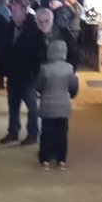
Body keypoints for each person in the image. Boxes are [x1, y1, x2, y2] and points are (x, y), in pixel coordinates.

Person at [0, 2, 44, 145]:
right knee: (13, 105)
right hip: (13, 73)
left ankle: (33, 133)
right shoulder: (10, 26)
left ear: (23, 13)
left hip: (27, 75)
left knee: (32, 106)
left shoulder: (34, 29)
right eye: (12, 12)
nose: (12, 15)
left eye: (15, 12)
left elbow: (38, 53)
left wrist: (34, 73)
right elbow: (6, 47)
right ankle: (13, 131)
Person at [36, 40, 79, 170]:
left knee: (47, 132)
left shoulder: (45, 68)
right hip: (63, 105)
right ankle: (61, 160)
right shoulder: (69, 68)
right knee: (62, 133)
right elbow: (73, 86)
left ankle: (45, 159)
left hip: (48, 106)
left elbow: (39, 86)